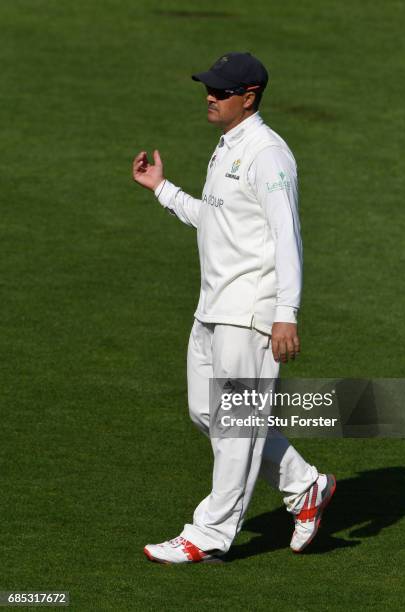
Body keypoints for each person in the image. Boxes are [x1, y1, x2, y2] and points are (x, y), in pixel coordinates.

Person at [132, 52, 335, 564]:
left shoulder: (268, 153)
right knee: (207, 412)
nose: (210, 96)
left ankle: (210, 533)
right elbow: (217, 220)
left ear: (249, 97)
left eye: (221, 91)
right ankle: (305, 486)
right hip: (213, 306)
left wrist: (286, 310)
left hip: (250, 312)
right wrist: (163, 190)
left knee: (235, 425)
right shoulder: (227, 147)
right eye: (209, 87)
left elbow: (288, 237)